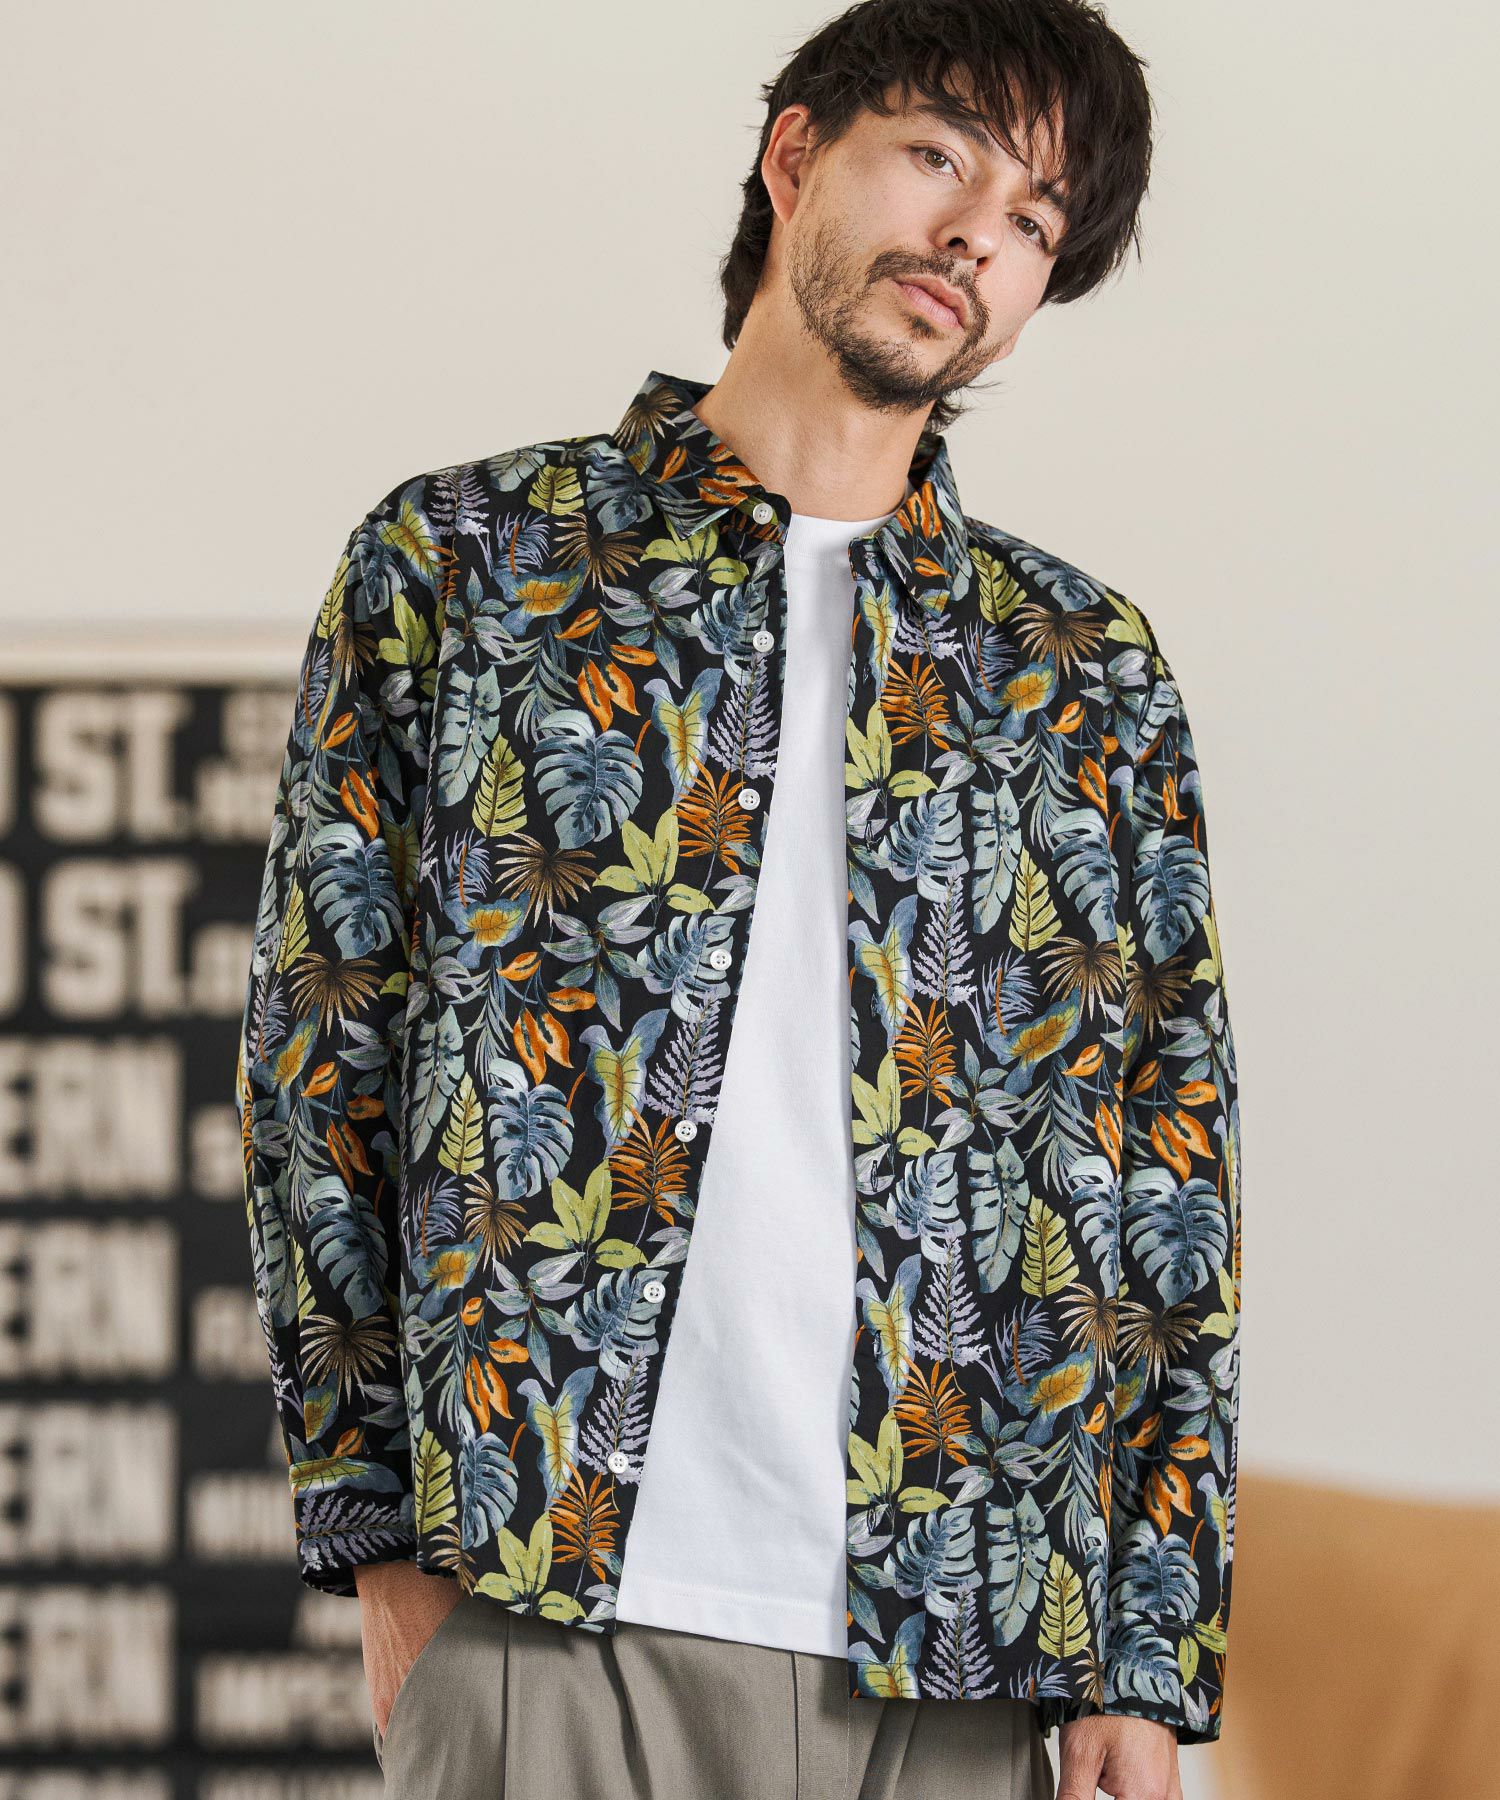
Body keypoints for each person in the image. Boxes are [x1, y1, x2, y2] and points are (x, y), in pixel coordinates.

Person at [235, 3, 1242, 1796]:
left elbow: (1169, 1164)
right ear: (795, 154)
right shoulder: (468, 564)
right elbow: (322, 1061)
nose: (974, 238)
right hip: (542, 1596)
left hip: (961, 1636)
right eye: (939, 157)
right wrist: (378, 1542)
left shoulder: (1080, 670)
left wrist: (1142, 1659)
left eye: (1032, 221)